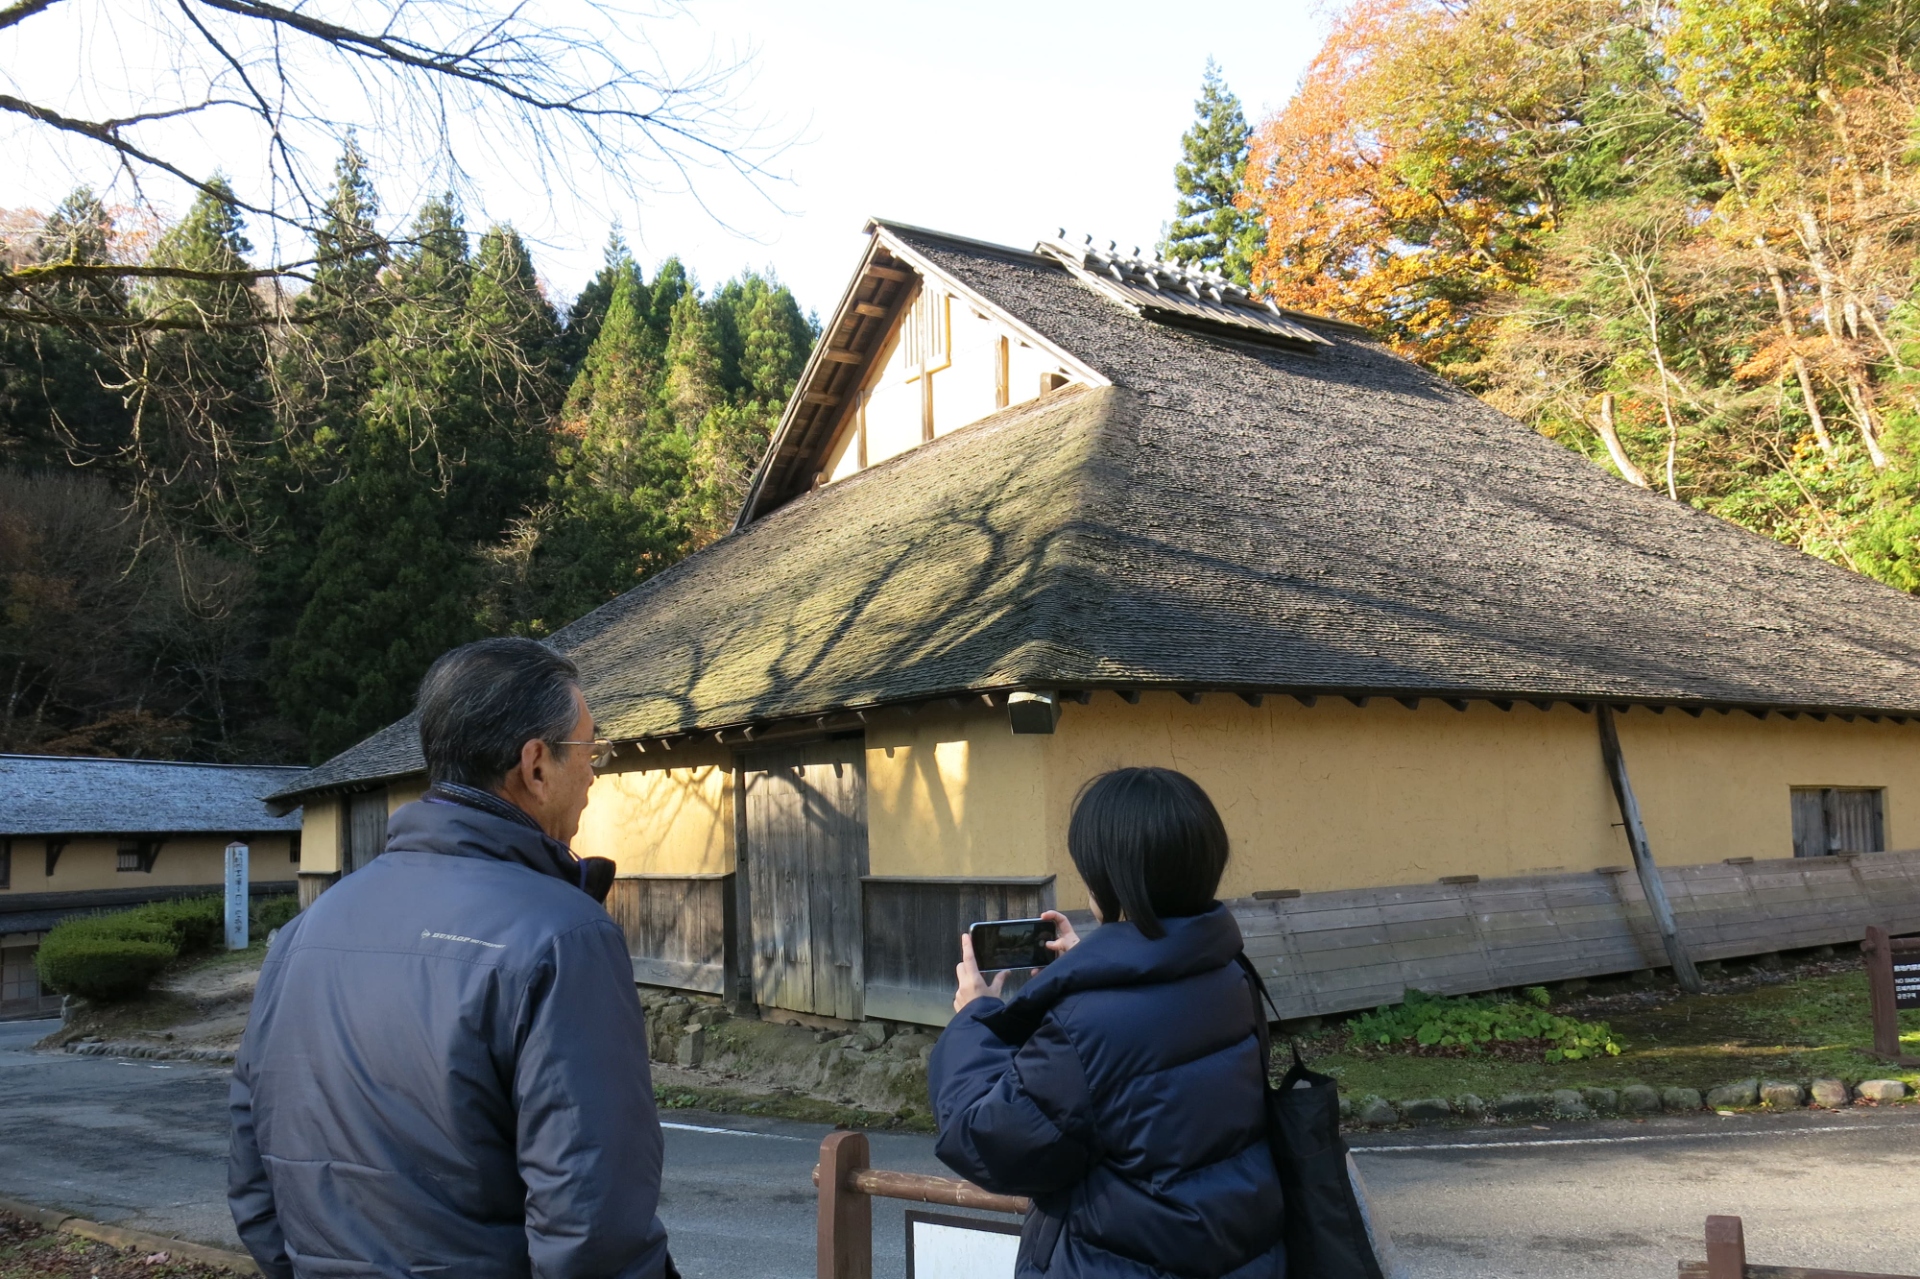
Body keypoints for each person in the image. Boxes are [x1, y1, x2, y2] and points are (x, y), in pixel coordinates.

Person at [229, 638, 675, 1279]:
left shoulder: (308, 929)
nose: (594, 773)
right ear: (536, 765)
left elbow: (253, 1167)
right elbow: (592, 1223)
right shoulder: (561, 935)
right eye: (589, 750)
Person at [928, 766, 1286, 1278]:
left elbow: (990, 1140)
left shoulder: (1090, 1025)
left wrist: (973, 1016)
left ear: (1110, 881)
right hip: (1232, 1253)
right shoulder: (1228, 973)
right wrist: (1094, 964)